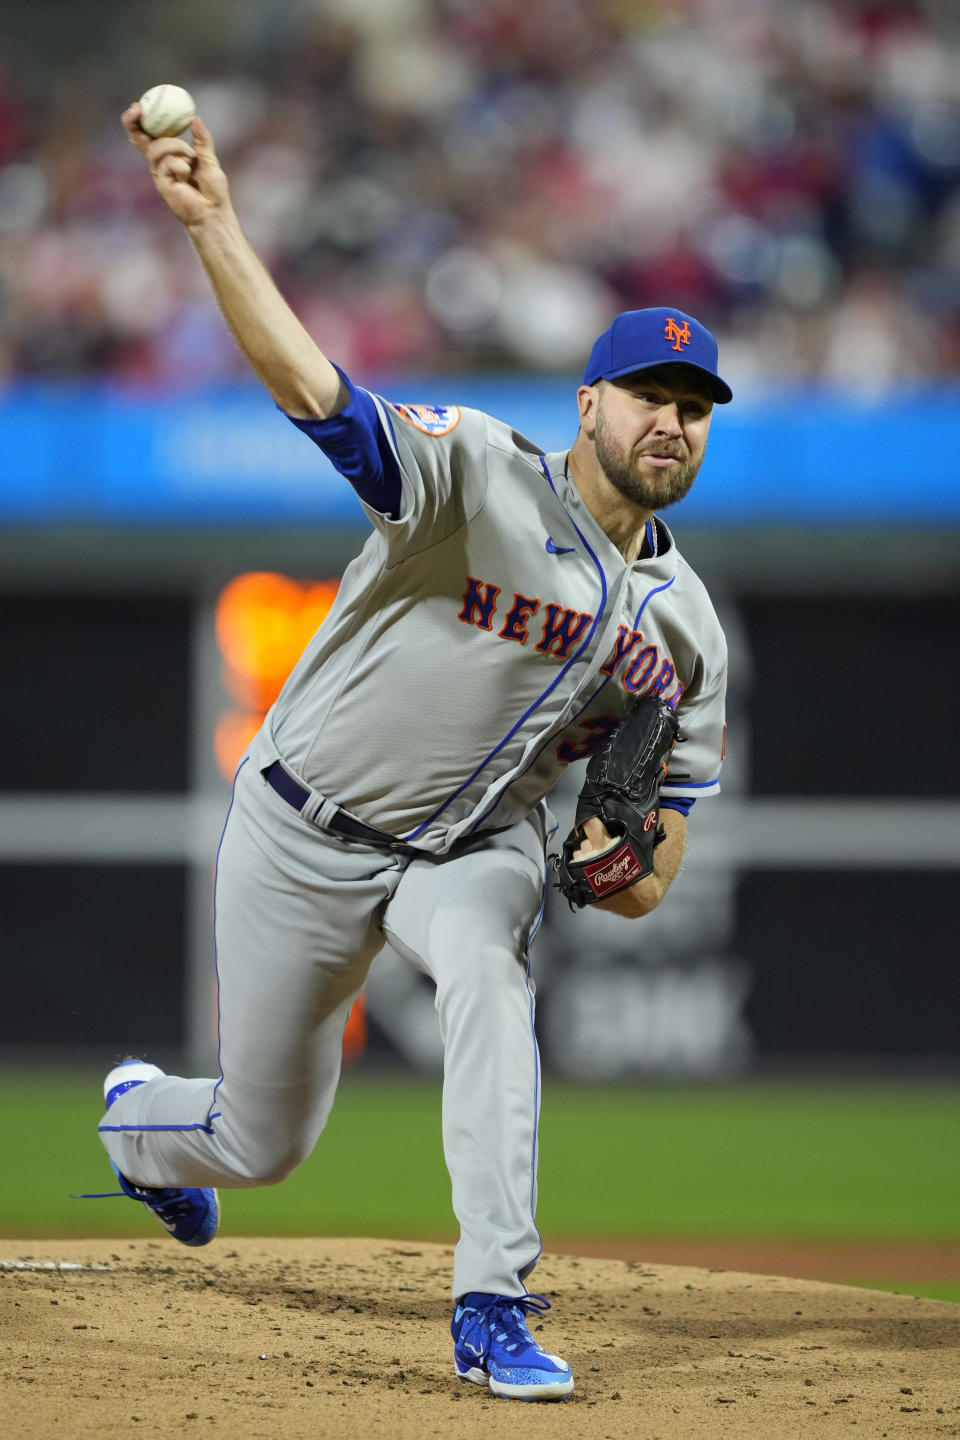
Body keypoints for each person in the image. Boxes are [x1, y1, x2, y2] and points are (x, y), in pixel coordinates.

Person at [98, 103, 731, 1403]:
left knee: (492, 986)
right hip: (304, 823)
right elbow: (315, 398)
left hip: (472, 842)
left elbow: (657, 857)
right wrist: (215, 222)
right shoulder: (483, 476)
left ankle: (492, 1301)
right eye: (649, 395)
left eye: (696, 406)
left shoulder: (686, 627)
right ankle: (135, 1125)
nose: (672, 421)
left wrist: (623, 870)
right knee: (260, 1139)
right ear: (590, 403)